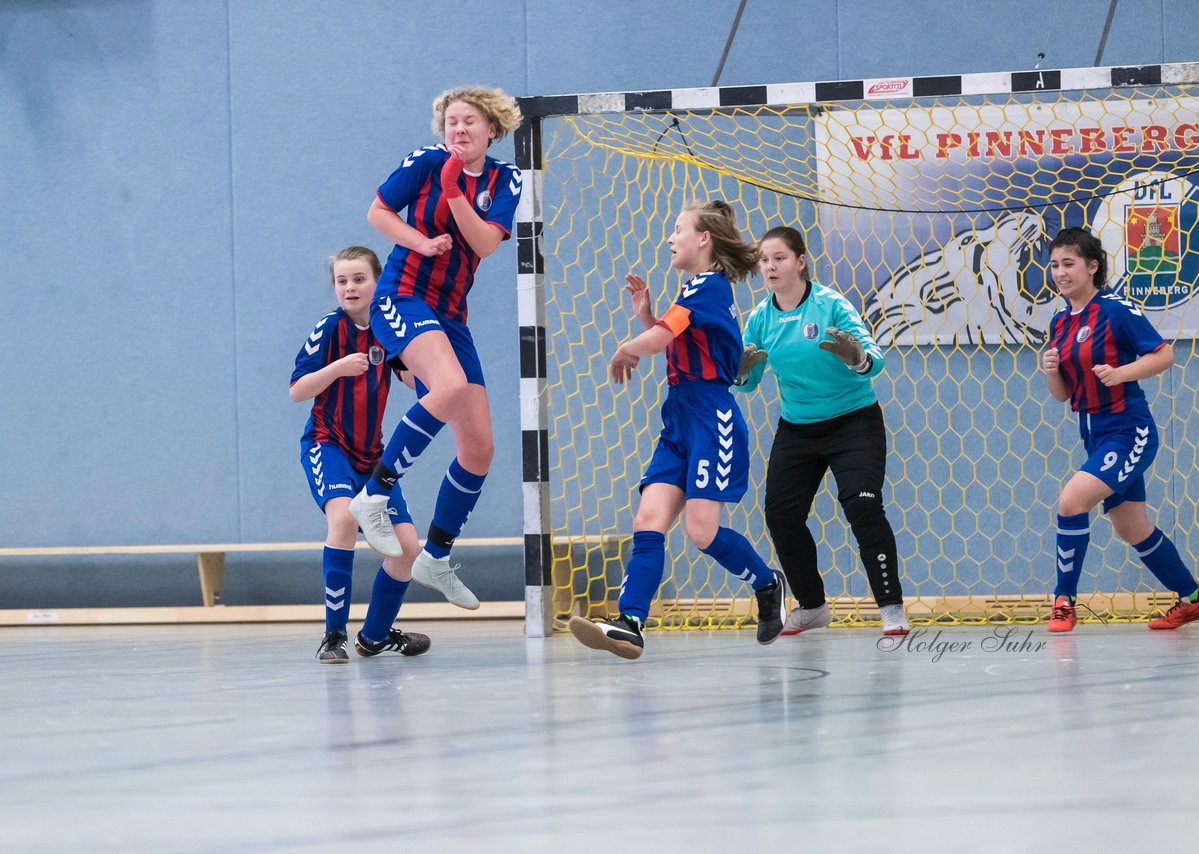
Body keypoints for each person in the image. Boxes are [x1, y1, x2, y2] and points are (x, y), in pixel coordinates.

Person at [567, 201, 786, 660]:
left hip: (712, 418)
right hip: (679, 418)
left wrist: (629, 345)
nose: (670, 237)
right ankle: (630, 623)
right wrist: (646, 317)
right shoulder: (692, 290)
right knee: (647, 522)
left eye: (678, 228)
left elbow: (664, 338)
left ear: (703, 238)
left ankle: (768, 585)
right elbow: (673, 336)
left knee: (701, 531)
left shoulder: (708, 287)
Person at [347, 86, 524, 611]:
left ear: (492, 129)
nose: (458, 130)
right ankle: (374, 496)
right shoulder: (426, 161)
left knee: (479, 447)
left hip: (451, 314)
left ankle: (437, 556)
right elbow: (378, 212)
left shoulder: (504, 178)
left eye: (469, 121)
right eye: (450, 122)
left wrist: (453, 194)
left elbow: (487, 244)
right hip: (403, 296)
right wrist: (420, 241)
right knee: (447, 387)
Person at [734, 226, 909, 637]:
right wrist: (740, 370)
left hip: (854, 422)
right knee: (780, 515)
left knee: (863, 505)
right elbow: (747, 383)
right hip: (798, 428)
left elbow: (876, 360)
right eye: (764, 260)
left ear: (800, 261)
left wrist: (857, 357)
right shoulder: (760, 318)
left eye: (779, 258)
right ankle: (812, 606)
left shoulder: (831, 305)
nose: (770, 266)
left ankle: (892, 607)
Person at [1040, 226, 1199, 632]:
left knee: (1070, 501)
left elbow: (1164, 355)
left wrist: (1120, 373)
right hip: (1093, 434)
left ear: (1092, 266)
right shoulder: (1059, 322)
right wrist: (1049, 372)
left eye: (1069, 263)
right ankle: (1193, 600)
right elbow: (1063, 396)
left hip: (1129, 431)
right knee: (1131, 527)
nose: (1061, 273)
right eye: (1054, 265)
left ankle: (1063, 602)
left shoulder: (1116, 310)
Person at [290, 247, 431, 662]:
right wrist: (337, 368)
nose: (349, 287)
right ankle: (333, 636)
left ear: (378, 281)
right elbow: (297, 390)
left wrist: (427, 363)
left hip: (373, 457)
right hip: (327, 444)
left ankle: (374, 636)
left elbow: (410, 380)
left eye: (358, 279)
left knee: (408, 550)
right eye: (342, 281)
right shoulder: (328, 329)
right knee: (343, 520)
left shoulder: (391, 328)